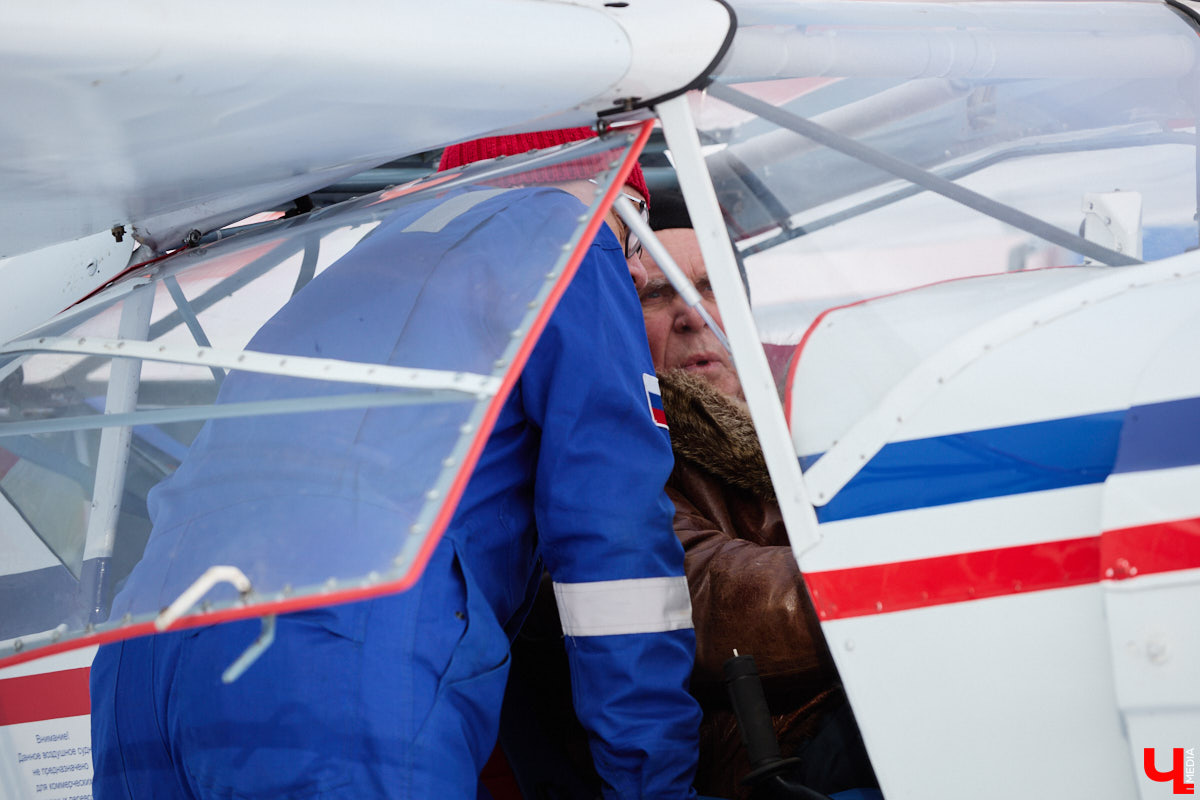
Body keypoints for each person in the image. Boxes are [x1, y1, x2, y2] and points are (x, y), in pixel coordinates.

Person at [89, 128, 702, 799]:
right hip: (327, 657)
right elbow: (616, 544)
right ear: (597, 184)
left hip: (138, 663)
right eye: (636, 236)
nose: (641, 272)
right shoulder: (570, 237)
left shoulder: (362, 263)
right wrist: (655, 785)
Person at [500, 191, 876, 800]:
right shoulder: (593, 457)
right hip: (773, 753)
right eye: (656, 294)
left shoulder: (829, 411)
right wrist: (900, 574)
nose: (693, 315)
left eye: (710, 287)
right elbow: (705, 594)